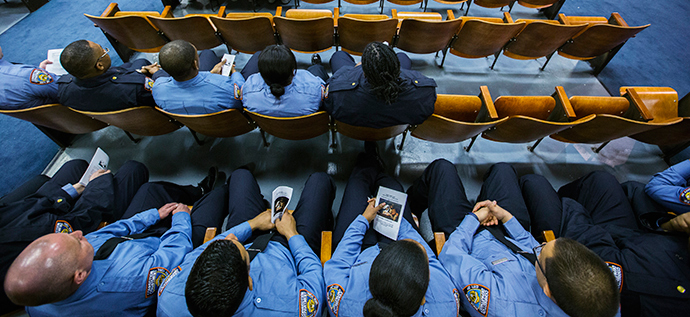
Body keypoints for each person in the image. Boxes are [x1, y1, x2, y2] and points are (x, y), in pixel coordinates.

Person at [407, 160, 620, 317]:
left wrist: (474, 219)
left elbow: (452, 256)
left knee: (442, 169)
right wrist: (506, 218)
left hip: (466, 241)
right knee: (502, 169)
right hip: (508, 235)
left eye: (541, 252)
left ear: (547, 289)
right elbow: (530, 249)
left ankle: (413, 206)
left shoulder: (500, 302)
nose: (541, 245)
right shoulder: (594, 301)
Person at [5, 171, 227, 316]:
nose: (79, 234)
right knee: (213, 201)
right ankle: (220, 190)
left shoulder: (36, 302)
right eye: (78, 242)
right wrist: (180, 218)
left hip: (128, 244)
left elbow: (103, 235)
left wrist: (151, 216)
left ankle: (196, 191)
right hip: (162, 252)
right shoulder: (126, 280)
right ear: (79, 275)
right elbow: (173, 254)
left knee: (151, 191)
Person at [159, 169, 335, 317]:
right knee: (320, 182)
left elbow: (206, 249)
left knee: (240, 176)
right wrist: (292, 234)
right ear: (250, 282)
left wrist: (252, 224)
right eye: (239, 249)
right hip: (289, 250)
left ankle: (259, 205)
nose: (231, 237)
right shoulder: (289, 309)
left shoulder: (169, 295)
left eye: (228, 240)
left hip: (250, 235)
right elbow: (314, 278)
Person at [521, 170, 690, 317]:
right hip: (632, 239)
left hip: (591, 255)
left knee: (534, 183)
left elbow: (593, 252)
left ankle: (557, 202)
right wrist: (671, 225)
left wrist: (575, 210)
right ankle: (561, 200)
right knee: (600, 180)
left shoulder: (657, 290)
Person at [324, 148, 459, 317]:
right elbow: (427, 257)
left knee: (358, 183)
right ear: (423, 299)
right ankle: (380, 170)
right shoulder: (445, 306)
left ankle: (369, 161)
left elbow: (338, 264)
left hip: (360, 253)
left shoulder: (345, 305)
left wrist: (363, 220)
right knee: (392, 187)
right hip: (400, 243)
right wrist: (393, 216)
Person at [0, 159, 148, 313]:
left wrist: (70, 191)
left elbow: (25, 208)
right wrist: (97, 184)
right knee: (134, 170)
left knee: (76, 166)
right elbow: (82, 222)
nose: (76, 235)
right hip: (74, 226)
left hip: (46, 220)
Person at [324, 42, 436, 128]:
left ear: (364, 72)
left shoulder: (337, 94)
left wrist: (357, 68)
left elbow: (330, 101)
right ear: (397, 67)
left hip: (355, 124)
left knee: (339, 56)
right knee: (403, 56)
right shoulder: (425, 93)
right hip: (393, 128)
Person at [57, 39, 167, 112]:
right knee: (148, 65)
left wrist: (136, 73)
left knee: (139, 62)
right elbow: (161, 97)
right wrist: (157, 74)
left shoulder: (63, 90)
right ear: (99, 65)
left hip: (115, 113)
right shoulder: (136, 86)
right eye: (103, 51)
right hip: (150, 115)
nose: (106, 51)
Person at [153, 40, 244, 114]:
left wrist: (210, 74)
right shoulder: (224, 87)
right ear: (195, 64)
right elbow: (241, 93)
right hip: (224, 124)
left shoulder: (157, 88)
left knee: (207, 53)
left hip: (192, 124)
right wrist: (234, 72)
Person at [240, 44, 327, 117]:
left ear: (261, 74)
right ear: (293, 72)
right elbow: (322, 87)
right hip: (305, 130)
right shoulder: (313, 90)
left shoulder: (248, 92)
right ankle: (316, 65)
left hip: (270, 128)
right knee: (316, 69)